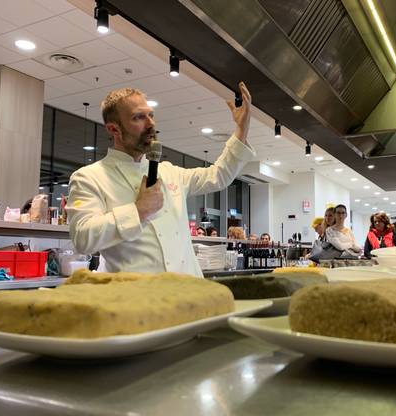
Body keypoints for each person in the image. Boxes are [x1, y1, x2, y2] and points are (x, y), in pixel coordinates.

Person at [67, 82, 255, 276]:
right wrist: (138, 211)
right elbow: (83, 238)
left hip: (188, 294)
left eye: (151, 115)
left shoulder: (169, 172)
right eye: (138, 117)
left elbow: (218, 176)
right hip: (138, 299)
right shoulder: (89, 177)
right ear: (114, 130)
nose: (151, 124)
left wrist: (242, 129)